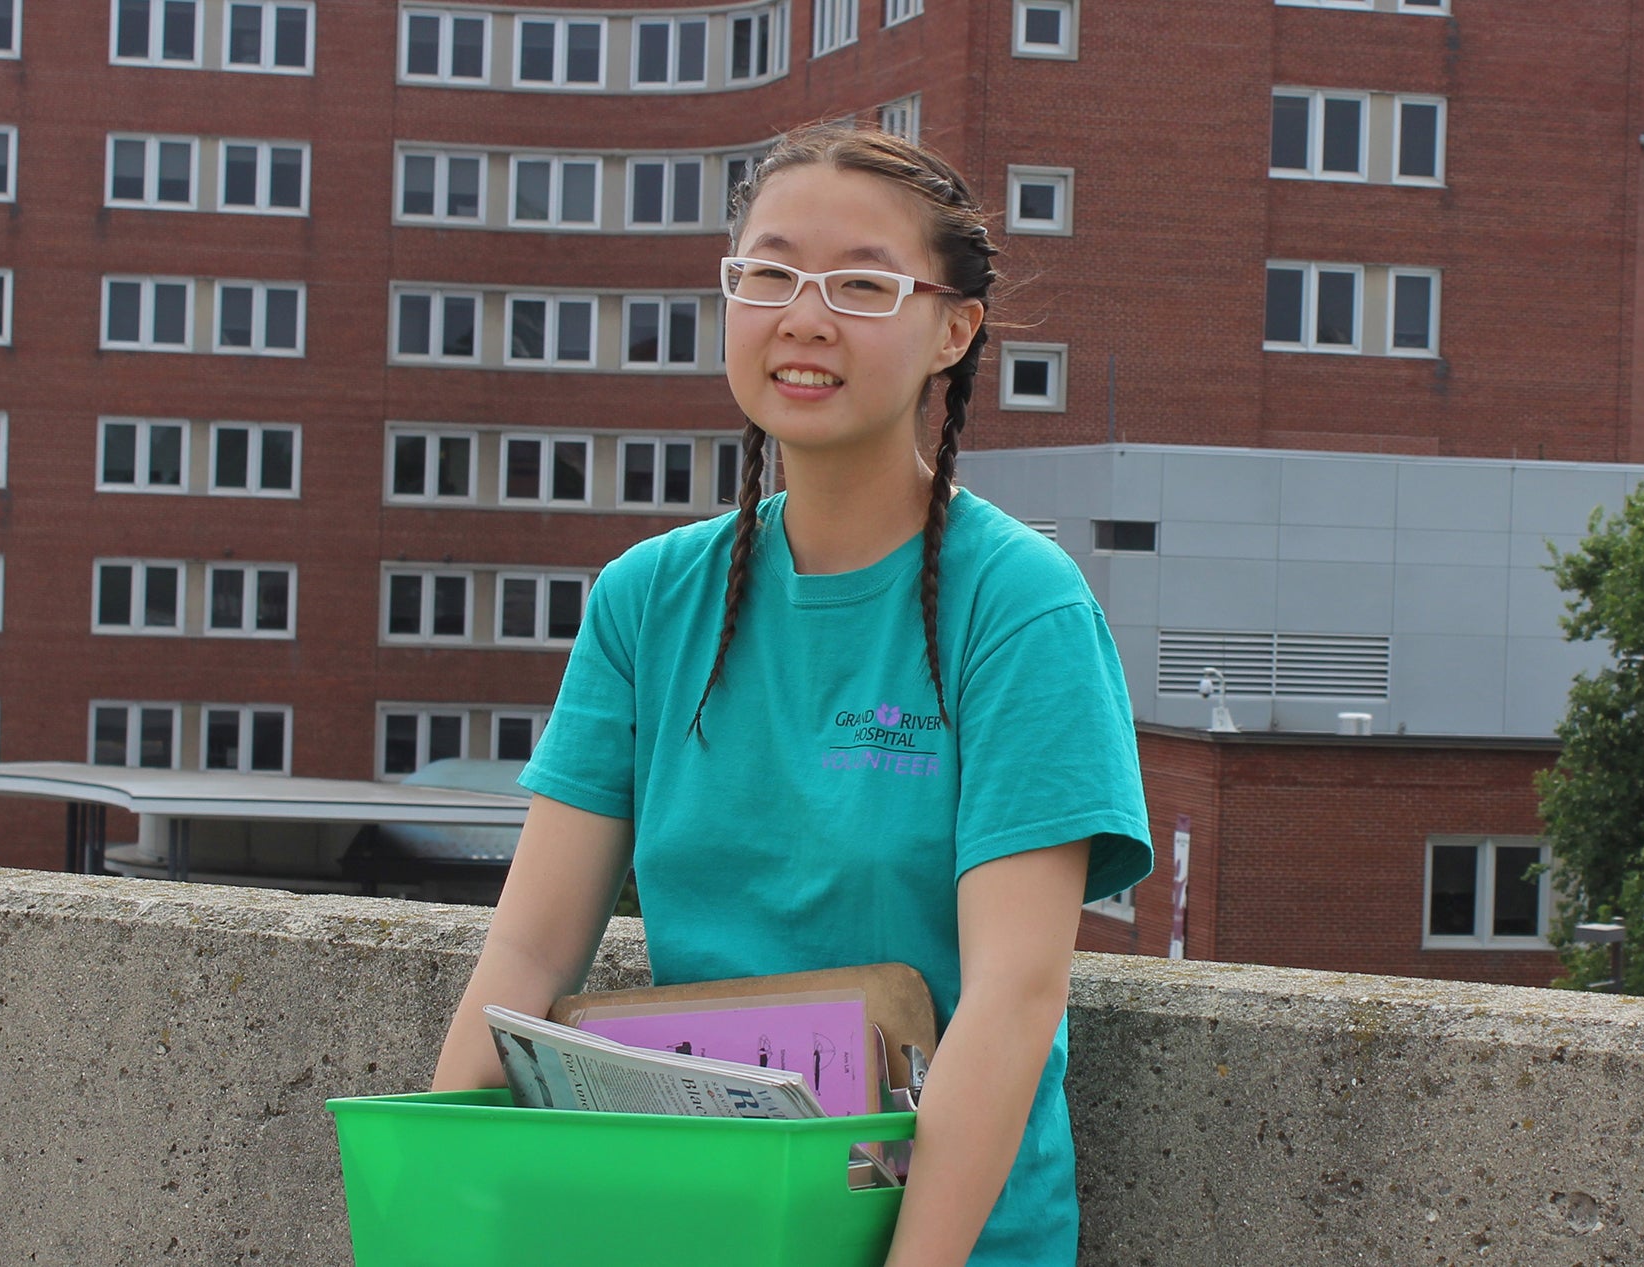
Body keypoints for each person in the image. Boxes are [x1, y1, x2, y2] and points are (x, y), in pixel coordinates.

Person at [432, 123, 1153, 1267]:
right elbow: (528, 953)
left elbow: (1014, 996)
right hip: (695, 1228)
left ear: (951, 331)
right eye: (768, 275)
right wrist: (444, 1203)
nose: (804, 320)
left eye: (862, 285)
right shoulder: (648, 599)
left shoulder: (1019, 606)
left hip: (950, 1239)